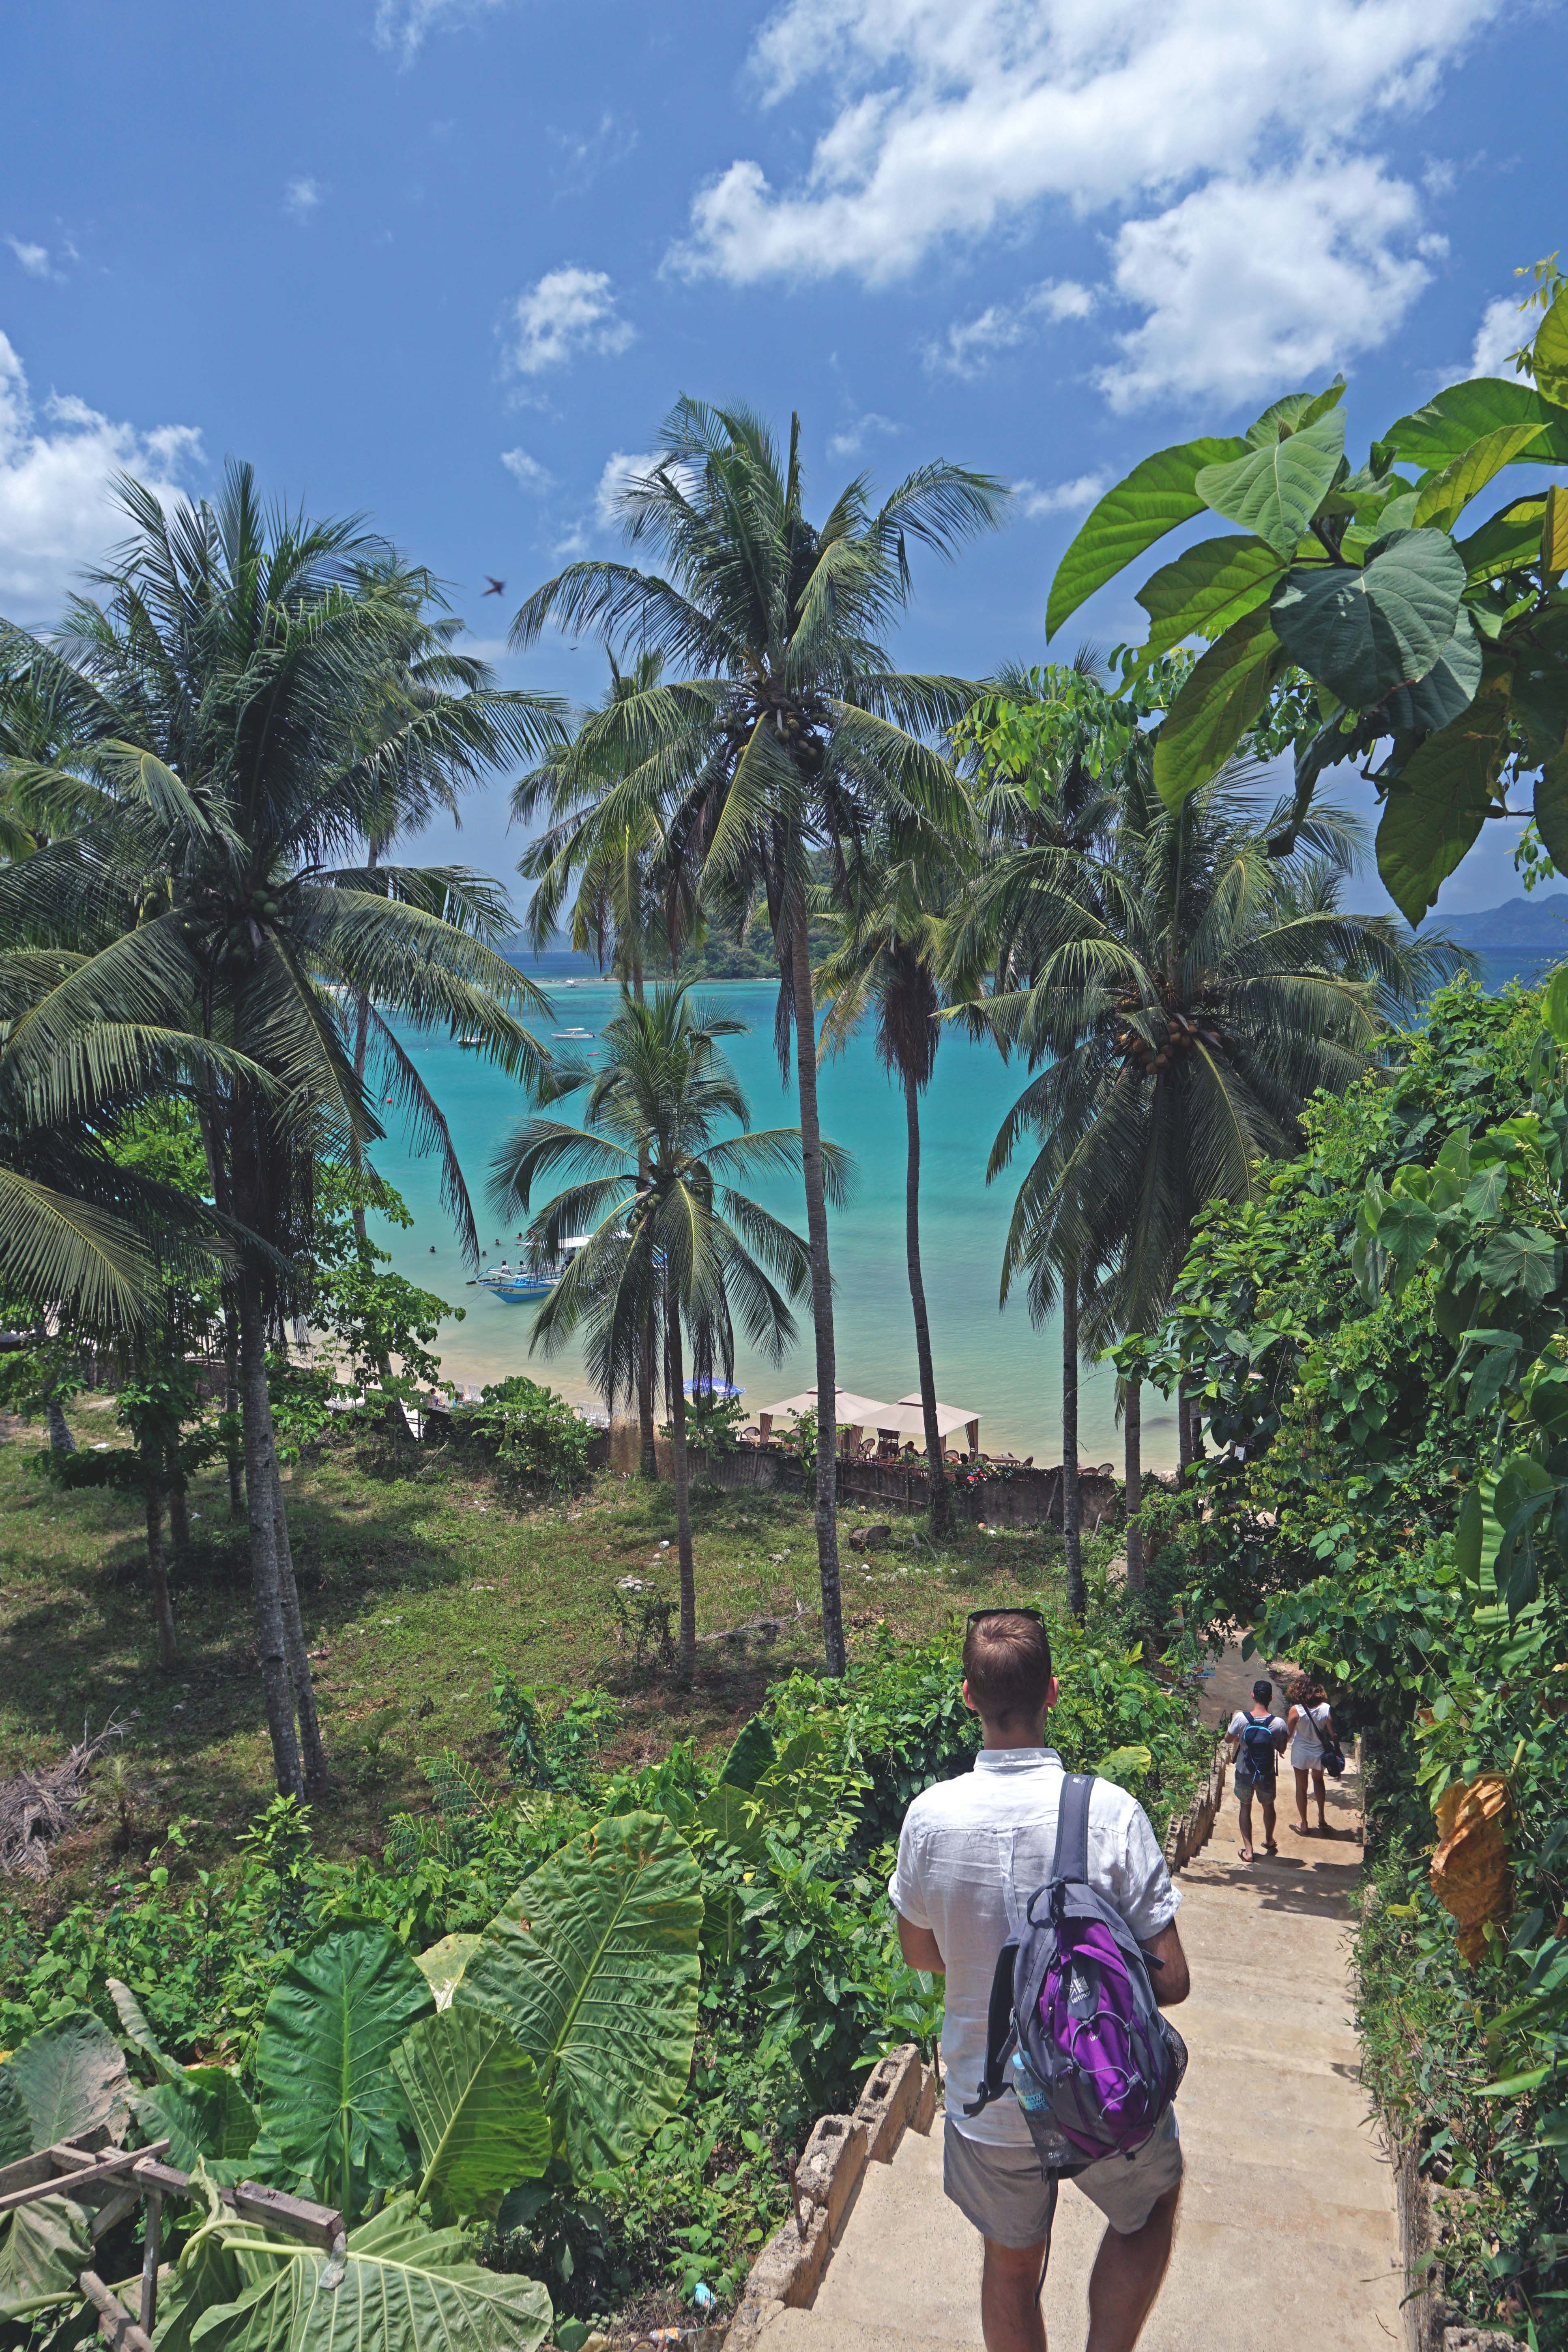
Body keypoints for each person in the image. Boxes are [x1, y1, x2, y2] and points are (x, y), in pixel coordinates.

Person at [889, 1607, 1190, 2352]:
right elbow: (1174, 1978)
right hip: (1101, 2084)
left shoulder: (929, 1818)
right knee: (1149, 2208)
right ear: (1054, 1690)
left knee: (1011, 2263)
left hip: (985, 2097)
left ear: (967, 1697)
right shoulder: (1110, 1811)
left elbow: (921, 1954)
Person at [1225, 1678, 1287, 1861]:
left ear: (1253, 1696)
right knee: (1268, 1807)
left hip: (1244, 1772)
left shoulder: (1241, 1719)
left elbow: (1228, 1740)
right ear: (1272, 1698)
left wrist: (1239, 1737)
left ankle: (1249, 1851)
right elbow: (1282, 1749)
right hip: (1266, 1773)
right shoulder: (1278, 1724)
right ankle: (1269, 1840)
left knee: (1245, 1807)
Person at [1286, 1675, 1336, 1835]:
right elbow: (1334, 1734)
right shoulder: (1326, 1709)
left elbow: (1288, 1734)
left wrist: (1280, 1748)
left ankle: (1305, 1823)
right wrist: (1338, 1749)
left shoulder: (1296, 1710)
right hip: (1319, 1754)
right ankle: (1321, 1817)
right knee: (1319, 1781)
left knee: (1301, 1788)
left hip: (1301, 1753)